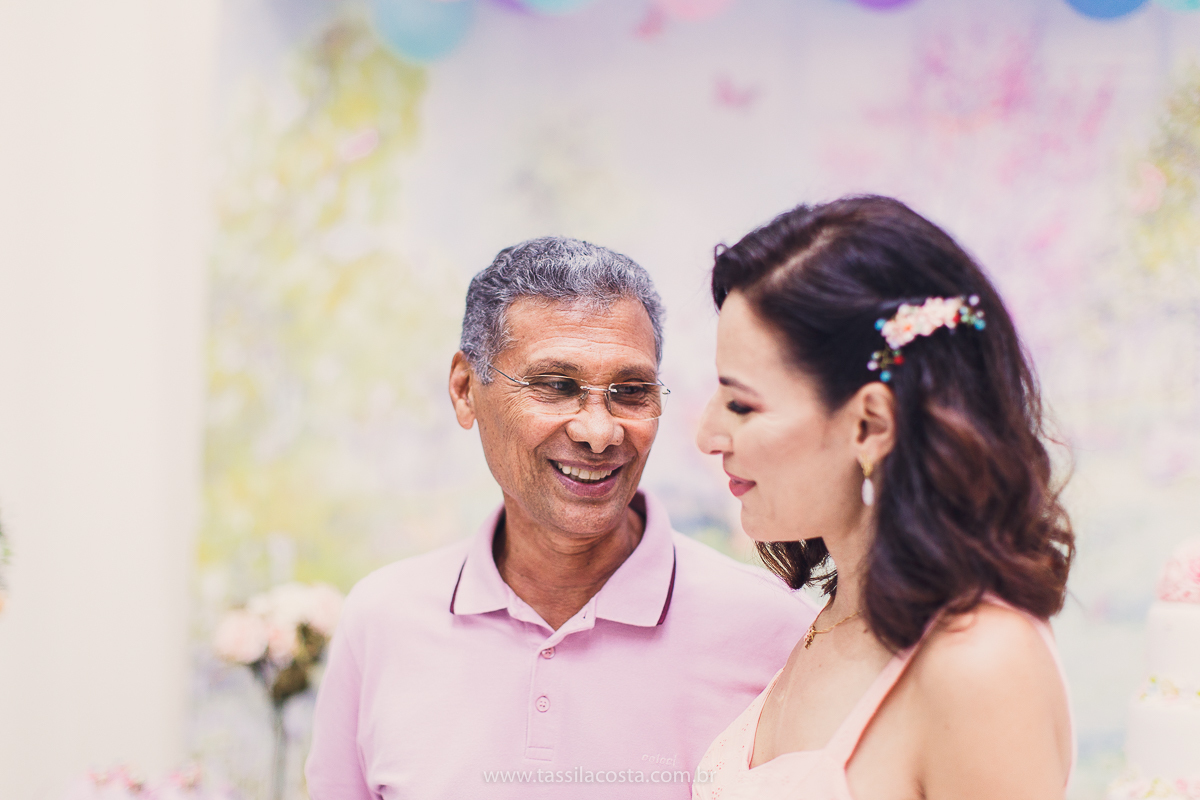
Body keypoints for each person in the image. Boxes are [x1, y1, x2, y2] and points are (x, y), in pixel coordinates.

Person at [305, 236, 817, 799]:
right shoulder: (382, 621)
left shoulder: (776, 633)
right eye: (555, 386)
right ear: (464, 389)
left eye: (630, 391)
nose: (599, 432)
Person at [691, 196, 1076, 800]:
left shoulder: (979, 663)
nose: (707, 435)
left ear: (870, 425)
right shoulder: (834, 617)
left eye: (741, 403)